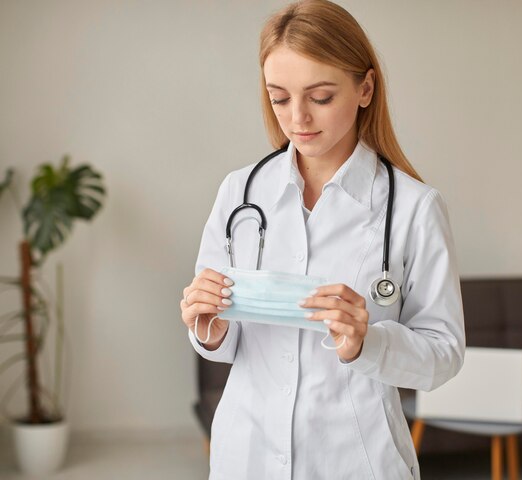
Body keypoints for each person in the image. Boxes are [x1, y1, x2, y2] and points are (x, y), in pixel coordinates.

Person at [180, 1, 465, 479]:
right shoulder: (240, 193)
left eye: (321, 97)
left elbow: (444, 355)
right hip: (247, 454)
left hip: (357, 459)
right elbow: (223, 342)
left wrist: (365, 342)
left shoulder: (415, 209)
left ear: (365, 88)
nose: (298, 119)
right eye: (279, 98)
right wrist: (208, 324)